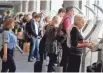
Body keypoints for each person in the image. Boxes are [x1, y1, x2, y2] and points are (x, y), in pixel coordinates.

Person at [59, 6, 74, 72]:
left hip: (62, 39)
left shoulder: (64, 17)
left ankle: (63, 69)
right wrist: (70, 41)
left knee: (64, 56)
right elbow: (68, 30)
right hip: (65, 40)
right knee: (66, 57)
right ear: (69, 11)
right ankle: (65, 70)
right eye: (73, 11)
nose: (73, 13)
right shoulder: (67, 18)